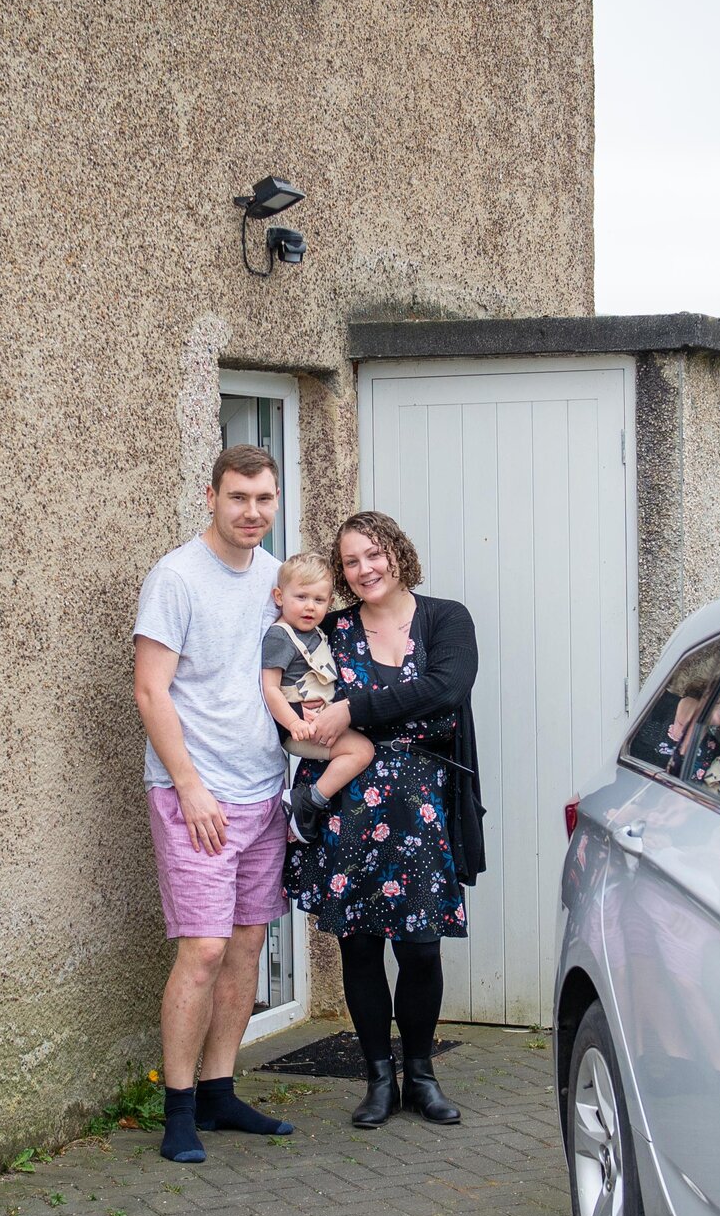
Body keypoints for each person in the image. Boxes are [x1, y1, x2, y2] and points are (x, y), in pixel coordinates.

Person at [289, 511, 485, 1129]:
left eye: (374, 554)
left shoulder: (445, 618)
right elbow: (300, 694)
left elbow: (445, 689)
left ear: (398, 553)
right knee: (360, 946)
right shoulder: (333, 628)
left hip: (422, 805)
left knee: (422, 949)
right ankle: (378, 1077)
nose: (364, 569)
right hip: (350, 803)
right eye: (351, 561)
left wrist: (354, 708)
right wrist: (328, 718)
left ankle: (421, 1075)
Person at [132, 445, 299, 1163]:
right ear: (210, 495)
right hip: (195, 796)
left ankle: (220, 1090)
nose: (252, 512)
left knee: (246, 946)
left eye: (264, 498)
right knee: (200, 950)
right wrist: (191, 786)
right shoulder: (175, 577)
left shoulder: (274, 579)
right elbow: (149, 690)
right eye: (238, 497)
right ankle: (178, 1112)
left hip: (265, 792)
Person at [261, 551, 376, 845]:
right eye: (301, 597)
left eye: (319, 600)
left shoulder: (316, 633)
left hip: (321, 718)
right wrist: (293, 721)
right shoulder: (281, 637)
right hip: (301, 727)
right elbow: (269, 687)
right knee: (361, 751)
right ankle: (307, 802)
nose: (309, 607)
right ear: (279, 596)